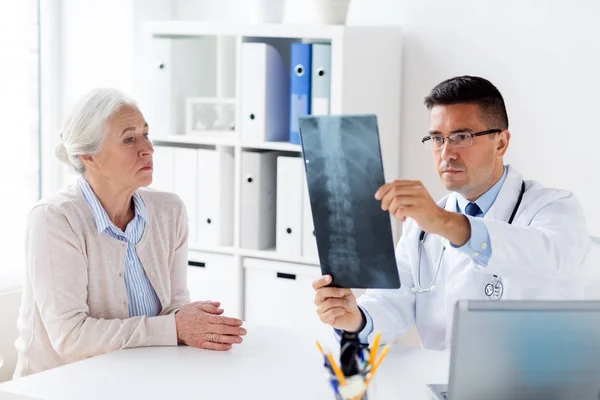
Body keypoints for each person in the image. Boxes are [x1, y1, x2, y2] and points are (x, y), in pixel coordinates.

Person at [312, 76, 590, 350]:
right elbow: (392, 302)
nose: (446, 153)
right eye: (436, 138)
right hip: (440, 386)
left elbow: (550, 258)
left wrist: (443, 222)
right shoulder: (422, 226)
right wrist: (356, 319)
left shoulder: (553, 208)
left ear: (501, 143)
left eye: (462, 137)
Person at [14, 88, 246, 377]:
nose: (147, 148)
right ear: (89, 157)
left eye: (146, 134)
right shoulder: (55, 219)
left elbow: (175, 307)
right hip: (60, 386)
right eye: (129, 139)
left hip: (138, 378)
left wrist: (197, 324)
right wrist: (175, 327)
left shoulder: (169, 211)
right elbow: (71, 338)